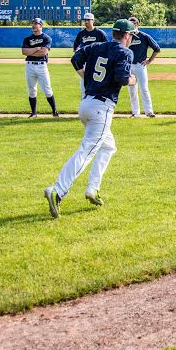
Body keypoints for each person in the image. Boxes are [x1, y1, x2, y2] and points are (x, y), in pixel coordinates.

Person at [43, 19, 138, 217]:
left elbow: (75, 59)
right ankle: (57, 191)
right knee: (86, 152)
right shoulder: (124, 52)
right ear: (127, 35)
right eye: (131, 36)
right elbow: (122, 78)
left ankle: (92, 189)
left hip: (86, 104)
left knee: (109, 147)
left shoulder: (96, 46)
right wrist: (132, 79)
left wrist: (86, 76)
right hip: (101, 108)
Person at [22, 17, 58, 118]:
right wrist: (37, 48)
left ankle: (54, 111)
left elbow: (43, 52)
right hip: (30, 65)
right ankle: (33, 113)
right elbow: (24, 52)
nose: (33, 25)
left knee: (47, 89)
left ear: (41, 26)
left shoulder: (46, 38)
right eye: (33, 23)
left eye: (36, 23)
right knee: (31, 90)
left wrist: (32, 51)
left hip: (42, 66)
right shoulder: (27, 39)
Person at [126, 15, 161, 117]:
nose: (131, 25)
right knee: (132, 91)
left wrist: (149, 61)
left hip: (140, 66)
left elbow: (157, 49)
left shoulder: (144, 36)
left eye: (133, 23)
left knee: (144, 89)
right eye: (129, 23)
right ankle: (135, 113)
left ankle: (149, 111)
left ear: (137, 24)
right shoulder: (126, 37)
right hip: (129, 67)